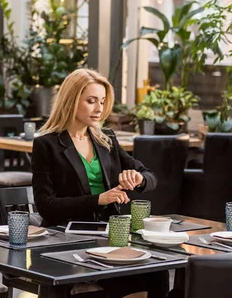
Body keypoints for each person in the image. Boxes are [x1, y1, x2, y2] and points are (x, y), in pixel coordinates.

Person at [32, 68, 169, 298]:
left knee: (158, 271)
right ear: (71, 100)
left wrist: (138, 178)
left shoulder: (106, 138)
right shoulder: (47, 145)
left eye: (102, 101)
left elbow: (150, 176)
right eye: (91, 101)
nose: (99, 109)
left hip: (108, 234)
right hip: (67, 237)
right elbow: (46, 205)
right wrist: (99, 199)